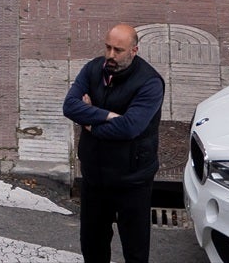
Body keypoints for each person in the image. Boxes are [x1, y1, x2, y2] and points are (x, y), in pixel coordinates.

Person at [63, 23, 165, 263]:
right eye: (108, 47)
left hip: (132, 179)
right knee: (92, 243)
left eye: (118, 50)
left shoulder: (150, 83)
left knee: (135, 248)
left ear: (134, 51)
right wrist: (106, 116)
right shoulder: (92, 69)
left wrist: (88, 117)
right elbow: (70, 106)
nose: (110, 55)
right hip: (95, 174)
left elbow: (130, 127)